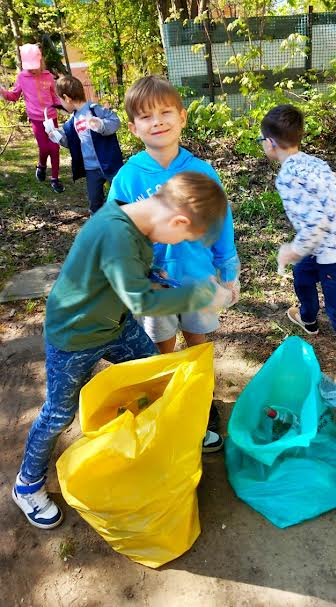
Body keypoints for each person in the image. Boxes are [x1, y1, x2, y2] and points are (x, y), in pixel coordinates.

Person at [12, 171, 232, 529]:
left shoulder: (138, 219)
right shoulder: (116, 233)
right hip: (75, 337)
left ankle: (167, 438)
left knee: (156, 377)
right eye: (184, 238)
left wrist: (165, 279)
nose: (177, 244)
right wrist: (202, 295)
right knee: (58, 415)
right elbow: (140, 300)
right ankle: (27, 484)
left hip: (116, 325)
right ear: (177, 221)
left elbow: (134, 273)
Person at [107, 76, 240, 433]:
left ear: (182, 117)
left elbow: (221, 221)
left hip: (198, 278)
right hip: (154, 288)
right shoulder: (127, 178)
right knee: (161, 347)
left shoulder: (201, 171)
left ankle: (201, 400)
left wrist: (228, 269)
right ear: (133, 128)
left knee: (197, 342)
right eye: (146, 116)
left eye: (165, 112)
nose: (157, 122)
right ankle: (169, 400)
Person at [259, 104, 336, 383]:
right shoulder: (313, 161)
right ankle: (308, 318)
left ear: (270, 143)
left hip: (334, 250)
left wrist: (292, 250)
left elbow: (315, 224)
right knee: (303, 274)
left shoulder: (288, 177)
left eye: (261, 140)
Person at [47, 75, 123, 214]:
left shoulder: (94, 109)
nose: (61, 104)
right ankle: (97, 222)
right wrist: (57, 137)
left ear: (67, 98)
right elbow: (72, 142)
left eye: (60, 100)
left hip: (110, 163)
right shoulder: (72, 121)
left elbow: (115, 121)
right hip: (90, 168)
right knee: (94, 201)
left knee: (121, 195)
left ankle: (125, 218)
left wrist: (101, 125)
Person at [0, 43, 64, 193]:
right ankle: (41, 166)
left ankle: (55, 179)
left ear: (40, 61)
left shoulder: (48, 76)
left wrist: (63, 106)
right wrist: (3, 92)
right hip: (36, 120)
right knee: (44, 148)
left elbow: (54, 97)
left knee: (54, 148)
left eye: (34, 65)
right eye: (29, 66)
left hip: (51, 118)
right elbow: (14, 96)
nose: (32, 69)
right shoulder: (22, 77)